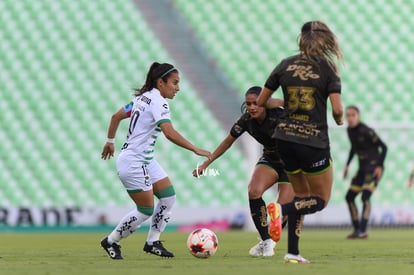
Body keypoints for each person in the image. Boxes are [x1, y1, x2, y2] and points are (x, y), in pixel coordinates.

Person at [100, 62, 211, 260]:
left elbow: (116, 116)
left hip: (144, 160)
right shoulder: (159, 102)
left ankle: (152, 242)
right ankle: (111, 240)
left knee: (168, 197)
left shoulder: (142, 98)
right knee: (145, 210)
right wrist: (195, 148)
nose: (178, 88)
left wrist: (110, 141)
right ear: (161, 83)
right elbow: (169, 133)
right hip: (133, 162)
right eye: (174, 83)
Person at [256, 20, 344, 263]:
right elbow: (337, 109)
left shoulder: (284, 65)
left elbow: (262, 100)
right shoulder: (328, 68)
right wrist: (339, 119)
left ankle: (293, 251)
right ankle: (279, 210)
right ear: (325, 40)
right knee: (319, 200)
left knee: (301, 198)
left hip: (284, 139)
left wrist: (286, 105)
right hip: (313, 142)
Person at [193, 86, 294, 257]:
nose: (252, 107)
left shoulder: (280, 115)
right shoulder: (246, 121)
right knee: (253, 191)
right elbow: (227, 142)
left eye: (256, 103)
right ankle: (266, 240)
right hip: (270, 160)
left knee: (281, 212)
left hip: (292, 164)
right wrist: (205, 164)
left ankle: (268, 241)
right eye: (248, 104)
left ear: (265, 102)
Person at [343, 105, 387, 239]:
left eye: (353, 115)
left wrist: (380, 166)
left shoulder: (366, 131)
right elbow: (353, 148)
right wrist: (347, 165)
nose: (350, 118)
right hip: (362, 170)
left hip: (373, 169)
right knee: (349, 197)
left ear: (358, 116)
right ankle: (357, 230)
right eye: (348, 115)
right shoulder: (349, 131)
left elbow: (384, 147)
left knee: (365, 197)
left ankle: (363, 230)